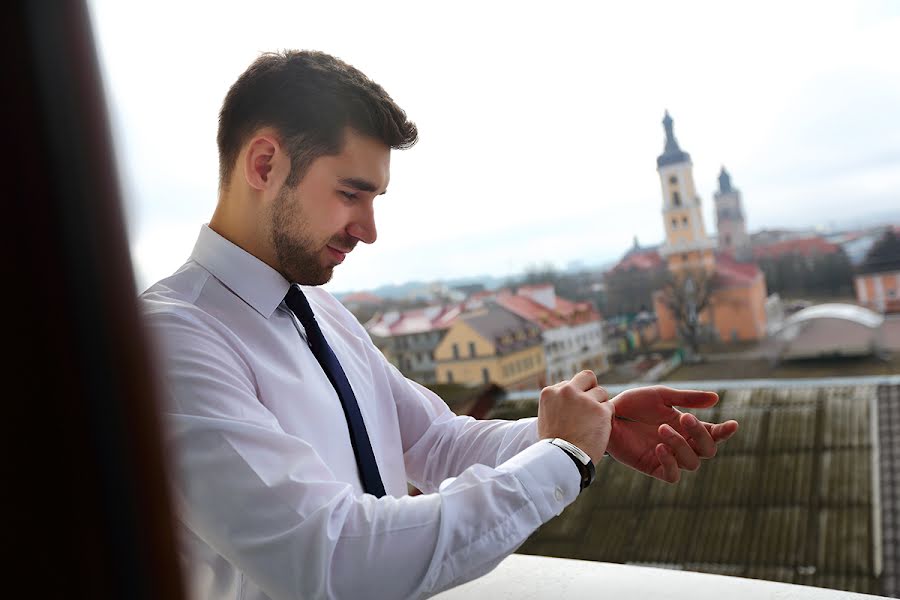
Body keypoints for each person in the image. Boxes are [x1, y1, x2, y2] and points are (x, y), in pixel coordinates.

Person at [141, 50, 738, 600]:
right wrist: (561, 458)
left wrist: (590, 427)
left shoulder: (323, 314)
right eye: (351, 193)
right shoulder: (170, 341)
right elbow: (326, 559)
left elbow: (434, 441)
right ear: (265, 164)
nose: (369, 230)